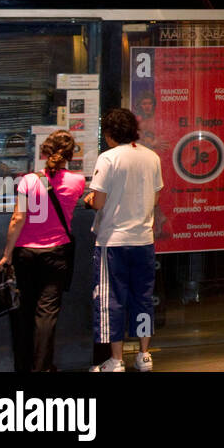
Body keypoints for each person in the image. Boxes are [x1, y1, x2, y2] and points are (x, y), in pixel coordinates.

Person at [0, 130, 85, 372]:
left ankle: (23, 366)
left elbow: (17, 219)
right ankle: (42, 368)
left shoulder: (28, 180)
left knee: (23, 311)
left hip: (25, 254)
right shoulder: (77, 181)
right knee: (47, 313)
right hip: (57, 253)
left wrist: (7, 254)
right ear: (69, 155)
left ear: (45, 152)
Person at [84, 108, 164, 372]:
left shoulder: (108, 158)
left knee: (111, 300)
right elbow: (155, 198)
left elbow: (98, 202)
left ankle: (116, 360)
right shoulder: (152, 157)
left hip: (113, 242)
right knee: (142, 297)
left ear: (108, 134)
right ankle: (144, 355)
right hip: (143, 239)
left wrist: (89, 200)